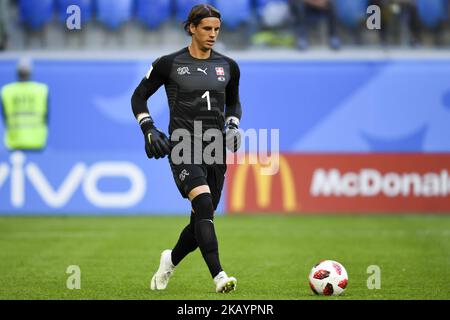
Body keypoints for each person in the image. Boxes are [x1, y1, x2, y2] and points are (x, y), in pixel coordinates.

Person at [131, 4, 242, 293]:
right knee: (203, 204)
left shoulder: (228, 66)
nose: (213, 34)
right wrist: (148, 129)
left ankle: (170, 260)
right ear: (191, 28)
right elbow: (139, 96)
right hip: (183, 145)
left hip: (216, 148)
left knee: (200, 221)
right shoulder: (169, 63)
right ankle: (219, 276)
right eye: (207, 28)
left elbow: (234, 103)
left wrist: (232, 124)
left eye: (216, 29)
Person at [1, 58, 49, 151]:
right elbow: (46, 117)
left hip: (14, 143)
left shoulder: (7, 91)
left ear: (17, 72)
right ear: (30, 72)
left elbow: (5, 118)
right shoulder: (41, 90)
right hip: (37, 143)